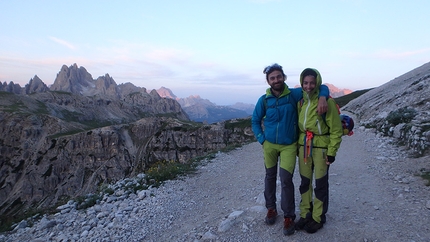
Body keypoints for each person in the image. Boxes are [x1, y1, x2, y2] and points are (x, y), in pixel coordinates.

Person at [251, 63, 329, 236]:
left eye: (279, 76)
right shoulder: (264, 100)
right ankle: (271, 208)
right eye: (272, 78)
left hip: (288, 145)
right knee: (270, 177)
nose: (276, 80)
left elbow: (319, 86)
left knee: (286, 180)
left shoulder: (293, 94)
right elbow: (255, 120)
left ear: (284, 77)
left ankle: (289, 216)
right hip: (269, 145)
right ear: (268, 81)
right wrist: (262, 139)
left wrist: (323, 97)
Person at [294, 68, 343, 234]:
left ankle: (318, 217)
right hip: (304, 147)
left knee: (320, 184)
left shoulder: (327, 102)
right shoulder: (301, 101)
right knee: (304, 183)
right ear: (302, 83)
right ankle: (305, 213)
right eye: (306, 83)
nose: (308, 86)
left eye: (312, 83)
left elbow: (336, 130)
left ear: (318, 83)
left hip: (321, 148)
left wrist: (332, 152)